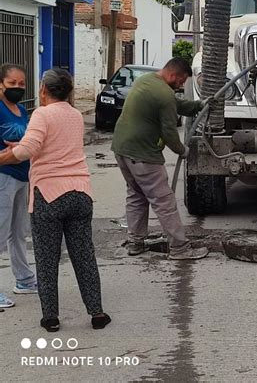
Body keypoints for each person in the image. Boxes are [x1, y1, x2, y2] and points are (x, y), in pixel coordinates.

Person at [0, 68, 110, 332]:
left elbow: (28, 150)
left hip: (49, 195)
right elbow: (55, 145)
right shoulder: (74, 115)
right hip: (80, 192)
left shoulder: (42, 113)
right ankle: (97, 313)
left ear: (43, 89)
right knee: (84, 256)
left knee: (47, 259)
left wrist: (11, 153)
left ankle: (51, 317)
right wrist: (23, 146)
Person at [112, 57, 210, 259]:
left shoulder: (147, 80)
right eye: (182, 80)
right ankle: (180, 248)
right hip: (142, 155)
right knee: (164, 201)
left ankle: (135, 243)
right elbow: (169, 131)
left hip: (122, 149)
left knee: (137, 196)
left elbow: (177, 104)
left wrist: (199, 105)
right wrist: (182, 150)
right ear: (173, 74)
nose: (182, 85)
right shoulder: (164, 94)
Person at [0, 64, 37, 309]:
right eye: (12, 83)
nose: (17, 88)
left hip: (23, 176)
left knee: (18, 232)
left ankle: (24, 280)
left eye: (21, 84)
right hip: (3, 175)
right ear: (1, 84)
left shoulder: (21, 110)